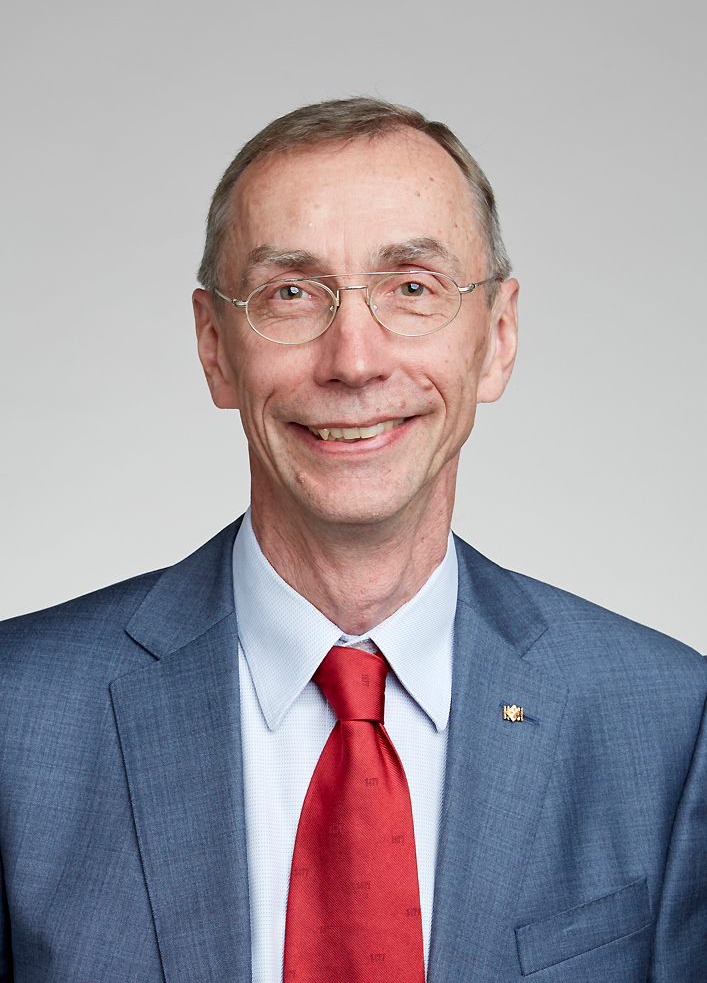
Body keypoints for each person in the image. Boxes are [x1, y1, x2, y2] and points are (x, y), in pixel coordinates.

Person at [0, 98, 705, 983]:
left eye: (412, 287)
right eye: (290, 293)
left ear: (497, 337)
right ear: (214, 346)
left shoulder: (670, 721)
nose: (355, 359)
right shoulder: (15, 718)